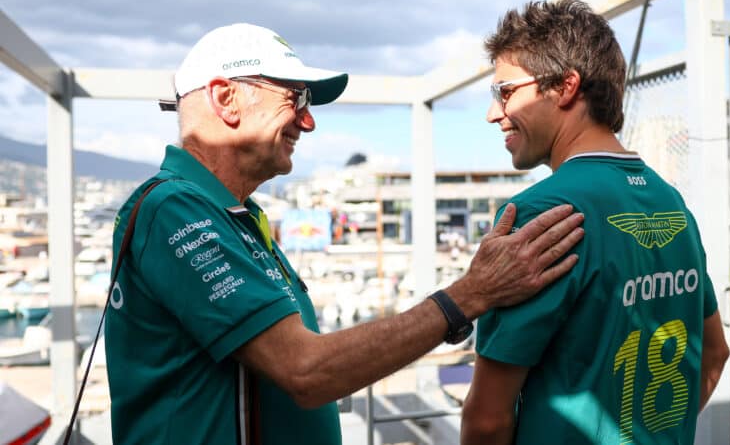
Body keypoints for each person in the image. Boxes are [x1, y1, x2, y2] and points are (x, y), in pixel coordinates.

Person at [105, 23, 586, 445]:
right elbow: (304, 370)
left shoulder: (232, 213)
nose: (309, 121)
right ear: (225, 98)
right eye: (296, 98)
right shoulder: (174, 209)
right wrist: (469, 295)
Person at [460, 0, 730, 445]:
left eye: (505, 92)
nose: (494, 112)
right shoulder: (672, 203)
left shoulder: (539, 213)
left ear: (565, 87)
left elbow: (487, 419)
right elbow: (714, 354)